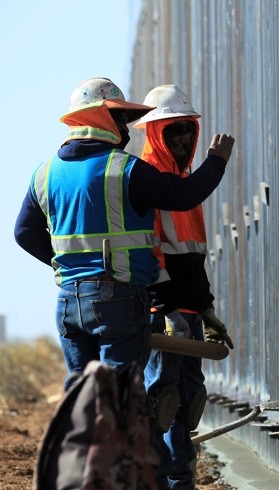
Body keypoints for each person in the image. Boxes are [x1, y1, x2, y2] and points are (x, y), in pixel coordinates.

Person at [14, 77, 234, 393]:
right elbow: (183, 195)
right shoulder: (124, 169)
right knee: (120, 392)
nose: (127, 128)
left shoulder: (44, 172)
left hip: (68, 301)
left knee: (81, 391)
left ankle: (79, 441)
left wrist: (70, 266)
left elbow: (24, 233)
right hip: (117, 298)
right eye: (120, 118)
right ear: (101, 118)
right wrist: (216, 161)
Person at [133, 84, 233, 490]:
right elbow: (153, 255)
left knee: (186, 402)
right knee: (162, 400)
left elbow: (191, 256)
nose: (181, 141)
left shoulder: (182, 185)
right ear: (155, 134)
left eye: (185, 133)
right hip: (165, 315)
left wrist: (206, 308)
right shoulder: (152, 182)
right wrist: (167, 309)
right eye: (172, 133)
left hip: (188, 314)